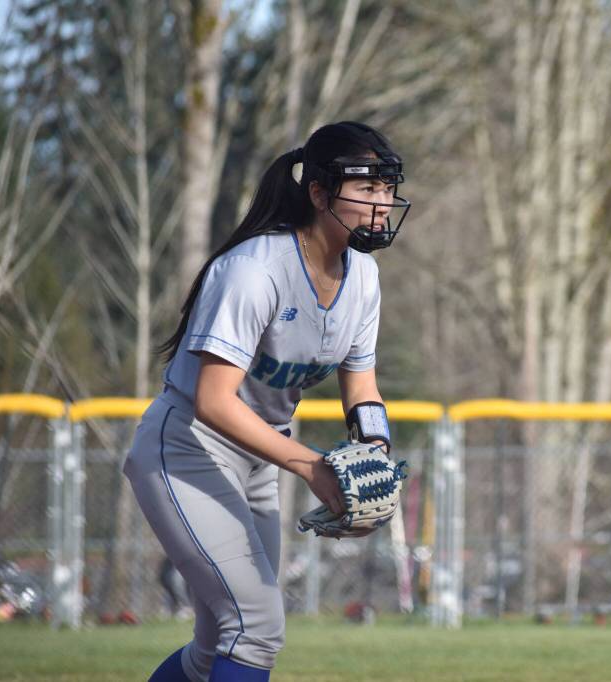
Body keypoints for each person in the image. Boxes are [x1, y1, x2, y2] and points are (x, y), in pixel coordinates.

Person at [123, 121, 410, 682]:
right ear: (319, 193)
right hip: (188, 447)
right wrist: (311, 466)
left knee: (216, 645)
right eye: (366, 188)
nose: (382, 203)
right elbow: (212, 400)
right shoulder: (255, 269)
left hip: (259, 456)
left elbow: (362, 384)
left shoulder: (364, 277)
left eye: (386, 188)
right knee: (255, 628)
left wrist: (374, 456)